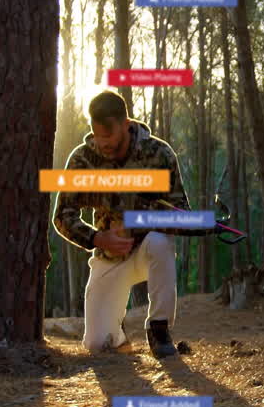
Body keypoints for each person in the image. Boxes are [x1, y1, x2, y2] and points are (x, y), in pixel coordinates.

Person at [52, 91, 207, 358]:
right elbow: (62, 216)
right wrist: (99, 239)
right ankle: (117, 332)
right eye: (97, 134)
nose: (102, 143)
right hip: (109, 255)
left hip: (147, 251)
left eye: (109, 135)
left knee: (160, 243)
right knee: (97, 344)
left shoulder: (159, 154)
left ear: (126, 124)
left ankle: (159, 330)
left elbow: (181, 212)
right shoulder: (82, 160)